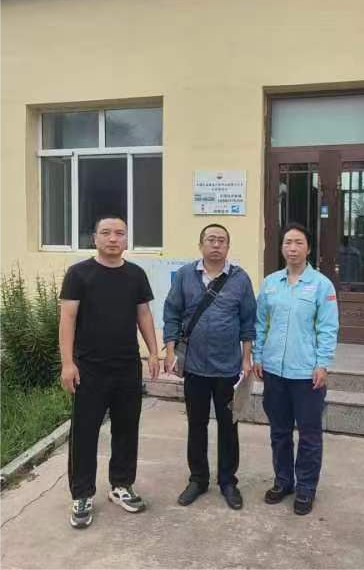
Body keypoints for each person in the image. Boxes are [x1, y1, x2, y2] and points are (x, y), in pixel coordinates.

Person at [59, 215, 160, 529]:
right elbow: (67, 319)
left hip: (127, 366)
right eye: (106, 233)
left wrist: (153, 351)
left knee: (127, 429)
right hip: (89, 368)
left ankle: (121, 485)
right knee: (85, 432)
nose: (113, 238)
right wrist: (67, 363)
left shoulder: (136, 275)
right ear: (95, 238)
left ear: (127, 239)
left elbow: (144, 314)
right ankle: (82, 494)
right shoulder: (79, 274)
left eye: (119, 233)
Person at [163, 224, 256, 510]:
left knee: (229, 426)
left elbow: (248, 322)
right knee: (197, 425)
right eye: (211, 240)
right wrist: (170, 352)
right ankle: (198, 479)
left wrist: (246, 358)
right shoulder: (185, 275)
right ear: (200, 244)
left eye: (221, 240)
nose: (216, 245)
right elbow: (172, 313)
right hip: (194, 367)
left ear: (228, 246)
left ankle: (228, 481)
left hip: (228, 368)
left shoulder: (240, 279)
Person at [253, 222, 338, 516]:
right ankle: (283, 481)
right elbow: (260, 323)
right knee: (279, 432)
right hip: (274, 372)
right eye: (288, 242)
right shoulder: (270, 284)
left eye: (298, 243)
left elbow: (328, 328)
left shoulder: (322, 286)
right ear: (281, 248)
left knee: (310, 435)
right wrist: (258, 356)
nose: (292, 248)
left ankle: (306, 488)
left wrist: (322, 364)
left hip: (306, 375)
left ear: (308, 248)